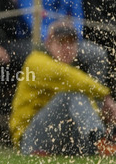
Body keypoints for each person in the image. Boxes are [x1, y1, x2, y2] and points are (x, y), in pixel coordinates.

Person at [11, 19, 116, 156]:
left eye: (71, 43)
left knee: (80, 98)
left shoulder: (71, 71)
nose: (67, 48)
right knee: (70, 95)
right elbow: (65, 76)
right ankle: (100, 140)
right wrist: (105, 96)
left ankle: (102, 142)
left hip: (59, 138)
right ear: (48, 43)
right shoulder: (35, 61)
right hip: (31, 140)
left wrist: (103, 110)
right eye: (61, 42)